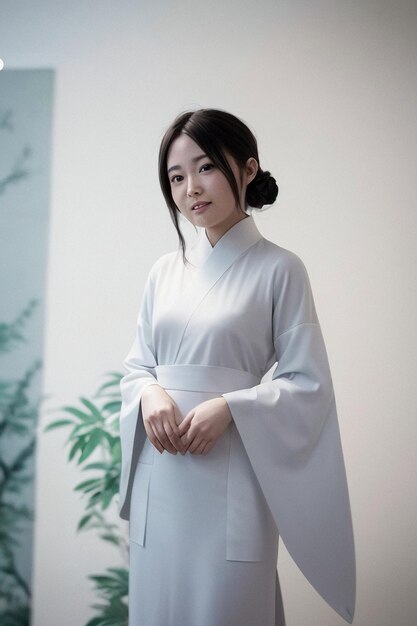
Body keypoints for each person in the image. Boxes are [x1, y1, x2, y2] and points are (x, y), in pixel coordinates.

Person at [118, 109, 356, 626]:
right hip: (163, 479)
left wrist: (230, 406)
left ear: (247, 169)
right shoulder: (164, 271)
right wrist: (150, 394)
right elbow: (138, 366)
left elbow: (307, 384)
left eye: (204, 168)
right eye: (176, 178)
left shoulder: (281, 269)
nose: (190, 189)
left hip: (231, 474)